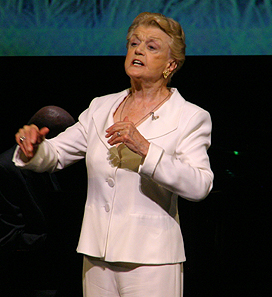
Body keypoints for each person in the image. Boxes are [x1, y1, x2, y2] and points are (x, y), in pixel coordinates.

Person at [13, 12, 213, 297]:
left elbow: (200, 185)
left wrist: (146, 150)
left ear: (170, 65)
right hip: (97, 256)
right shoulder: (100, 108)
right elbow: (56, 154)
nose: (138, 50)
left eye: (151, 46)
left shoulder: (190, 116)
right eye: (134, 43)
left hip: (151, 259)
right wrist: (33, 149)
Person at [0, 106, 81, 297]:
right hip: (22, 276)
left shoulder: (59, 170)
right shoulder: (5, 169)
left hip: (53, 270)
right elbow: (7, 236)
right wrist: (64, 242)